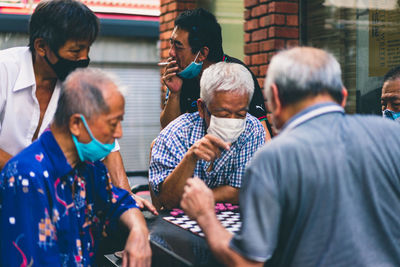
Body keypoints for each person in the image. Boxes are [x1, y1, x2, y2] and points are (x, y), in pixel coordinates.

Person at [180, 47, 400, 266]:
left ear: (275, 97)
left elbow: (247, 263)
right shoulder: (393, 137)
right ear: (342, 96)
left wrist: (205, 215)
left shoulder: (272, 159)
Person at [0, 68, 151, 266]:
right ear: (76, 124)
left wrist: (139, 231)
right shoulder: (26, 177)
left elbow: (119, 201)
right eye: (113, 124)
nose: (119, 133)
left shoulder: (89, 168)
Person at [0, 0, 135, 198]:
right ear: (42, 46)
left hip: (49, 197)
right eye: (75, 51)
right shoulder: (4, 70)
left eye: (87, 50)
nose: (83, 58)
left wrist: (127, 200)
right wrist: (30, 177)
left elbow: (109, 150)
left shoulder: (76, 84)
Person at [149, 62, 265, 210]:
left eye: (240, 114)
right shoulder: (176, 134)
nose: (232, 121)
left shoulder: (252, 129)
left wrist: (198, 196)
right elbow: (167, 200)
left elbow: (244, 189)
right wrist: (190, 158)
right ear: (202, 108)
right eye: (223, 114)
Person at [160, 8, 272, 140]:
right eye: (171, 43)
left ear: (202, 53)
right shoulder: (182, 74)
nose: (171, 53)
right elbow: (168, 133)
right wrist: (174, 93)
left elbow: (263, 134)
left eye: (178, 46)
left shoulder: (237, 76)